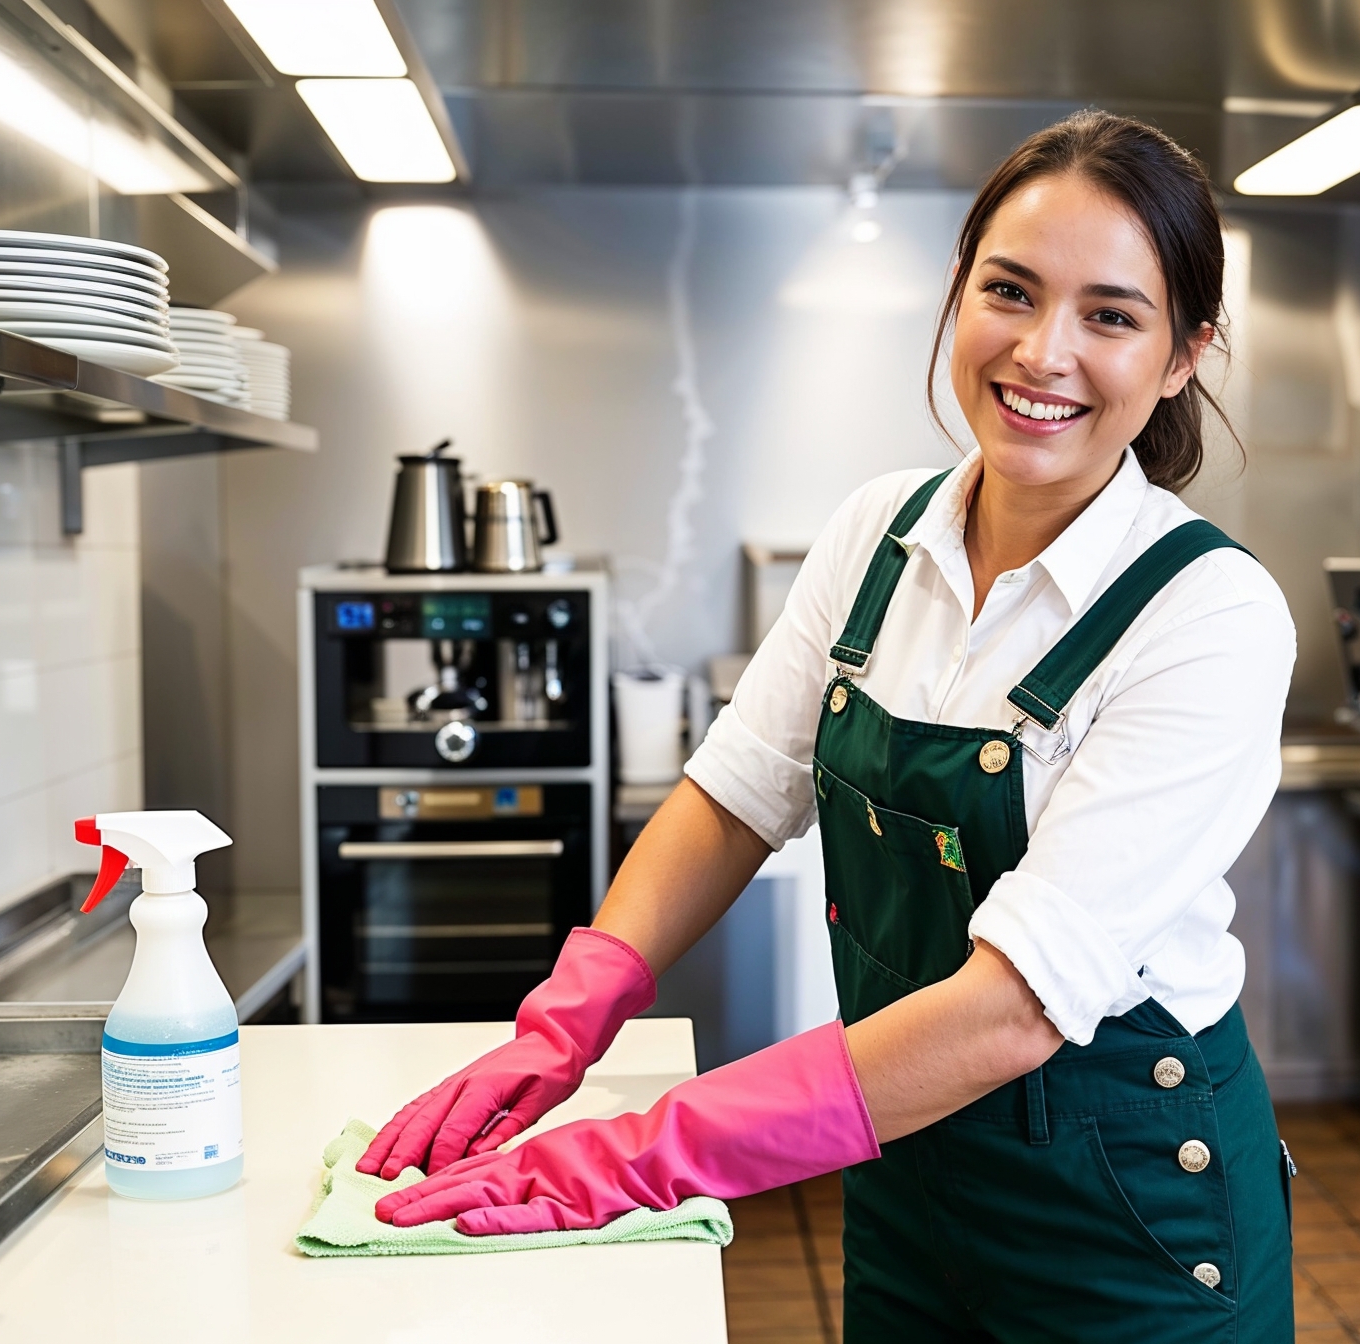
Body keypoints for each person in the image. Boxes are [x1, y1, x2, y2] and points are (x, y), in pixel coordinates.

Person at [360, 109, 1298, 1342]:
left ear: (1184, 355)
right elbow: (737, 796)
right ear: (957, 294)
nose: (1042, 351)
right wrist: (568, 1017)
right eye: (1007, 291)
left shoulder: (1209, 614)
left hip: (1125, 1214)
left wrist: (650, 1152)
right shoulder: (876, 534)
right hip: (908, 1174)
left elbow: (1013, 1008)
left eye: (1111, 315)